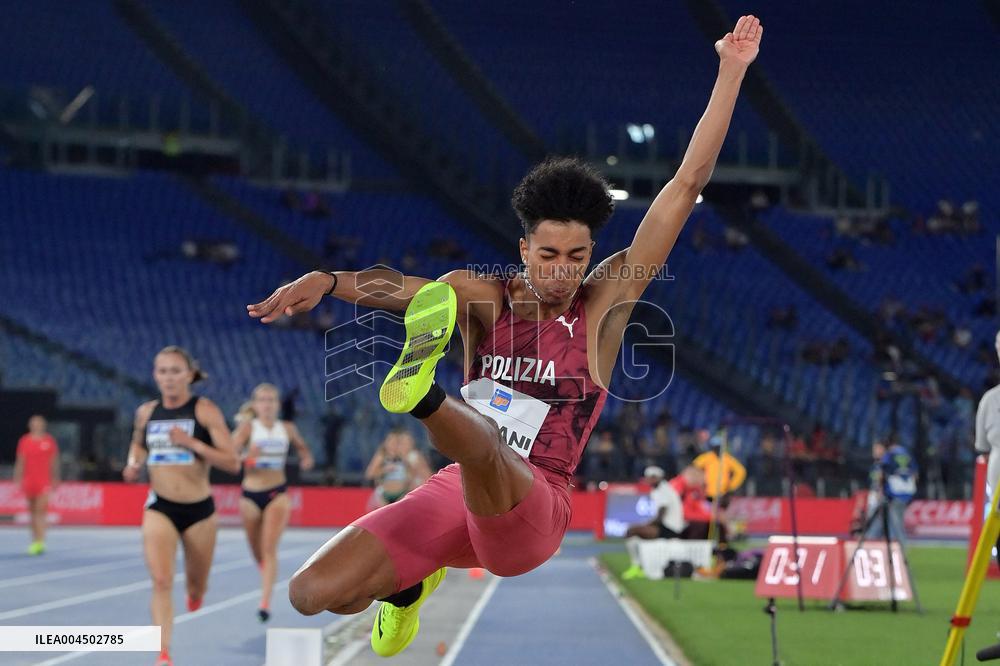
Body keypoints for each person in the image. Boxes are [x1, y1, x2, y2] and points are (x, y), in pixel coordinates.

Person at [247, 15, 762, 658]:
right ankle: (407, 591)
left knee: (486, 445)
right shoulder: (485, 297)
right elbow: (404, 290)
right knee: (314, 593)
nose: (563, 269)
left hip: (536, 505)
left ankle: (421, 396)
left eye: (577, 255)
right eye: (548, 254)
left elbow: (685, 186)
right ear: (524, 249)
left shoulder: (608, 301)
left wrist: (731, 71)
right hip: (455, 490)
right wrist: (327, 280)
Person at [122, 346, 239, 666]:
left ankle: (196, 593)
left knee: (196, 582)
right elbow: (137, 444)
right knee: (161, 581)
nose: (169, 378)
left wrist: (192, 443)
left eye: (175, 371)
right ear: (155, 376)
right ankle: (163, 653)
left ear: (189, 375)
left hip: (199, 510)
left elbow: (232, 462)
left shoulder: (204, 411)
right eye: (162, 371)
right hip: (160, 506)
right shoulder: (146, 412)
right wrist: (133, 463)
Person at [231, 383, 315, 623]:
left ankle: (265, 603)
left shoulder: (286, 428)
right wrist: (248, 459)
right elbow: (229, 457)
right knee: (257, 551)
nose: (267, 405)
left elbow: (303, 449)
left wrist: (306, 458)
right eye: (262, 400)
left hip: (277, 494)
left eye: (271, 400)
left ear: (277, 405)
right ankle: (266, 571)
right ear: (255, 405)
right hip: (250, 495)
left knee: (268, 550)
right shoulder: (248, 428)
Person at [622, 466, 685, 579]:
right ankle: (638, 566)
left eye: (653, 477)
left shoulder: (663, 490)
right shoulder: (661, 489)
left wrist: (646, 525)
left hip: (669, 528)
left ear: (659, 478)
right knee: (635, 535)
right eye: (649, 477)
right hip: (669, 526)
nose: (650, 480)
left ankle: (636, 567)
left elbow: (661, 514)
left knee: (631, 531)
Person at [13, 415, 60, 555]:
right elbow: (20, 461)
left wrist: (55, 478)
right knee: (32, 512)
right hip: (29, 480)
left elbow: (54, 462)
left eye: (39, 423)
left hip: (44, 481)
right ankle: (34, 540)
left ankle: (41, 540)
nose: (36, 426)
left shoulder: (49, 441)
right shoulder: (24, 441)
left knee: (41, 511)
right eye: (34, 423)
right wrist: (17, 477)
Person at [865, 439, 917, 549]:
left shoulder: (889, 456)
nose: (874, 451)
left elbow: (881, 473)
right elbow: (915, 474)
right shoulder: (908, 456)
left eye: (877, 448)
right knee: (887, 522)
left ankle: (897, 548)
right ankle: (873, 543)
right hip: (904, 495)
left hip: (889, 495)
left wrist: (881, 490)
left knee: (892, 524)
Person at [365, 428, 433, 510]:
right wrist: (384, 470)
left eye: (407, 442)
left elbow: (426, 476)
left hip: (408, 492)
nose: (404, 445)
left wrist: (409, 467)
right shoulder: (384, 455)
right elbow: (370, 474)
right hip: (385, 493)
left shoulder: (414, 456)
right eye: (401, 443)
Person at [692, 432, 746, 505]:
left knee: (720, 513)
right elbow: (693, 468)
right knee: (708, 513)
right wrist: (700, 484)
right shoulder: (707, 457)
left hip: (723, 494)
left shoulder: (727, 458)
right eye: (715, 447)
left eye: (719, 447)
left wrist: (731, 486)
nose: (717, 449)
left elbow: (741, 471)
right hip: (707, 493)